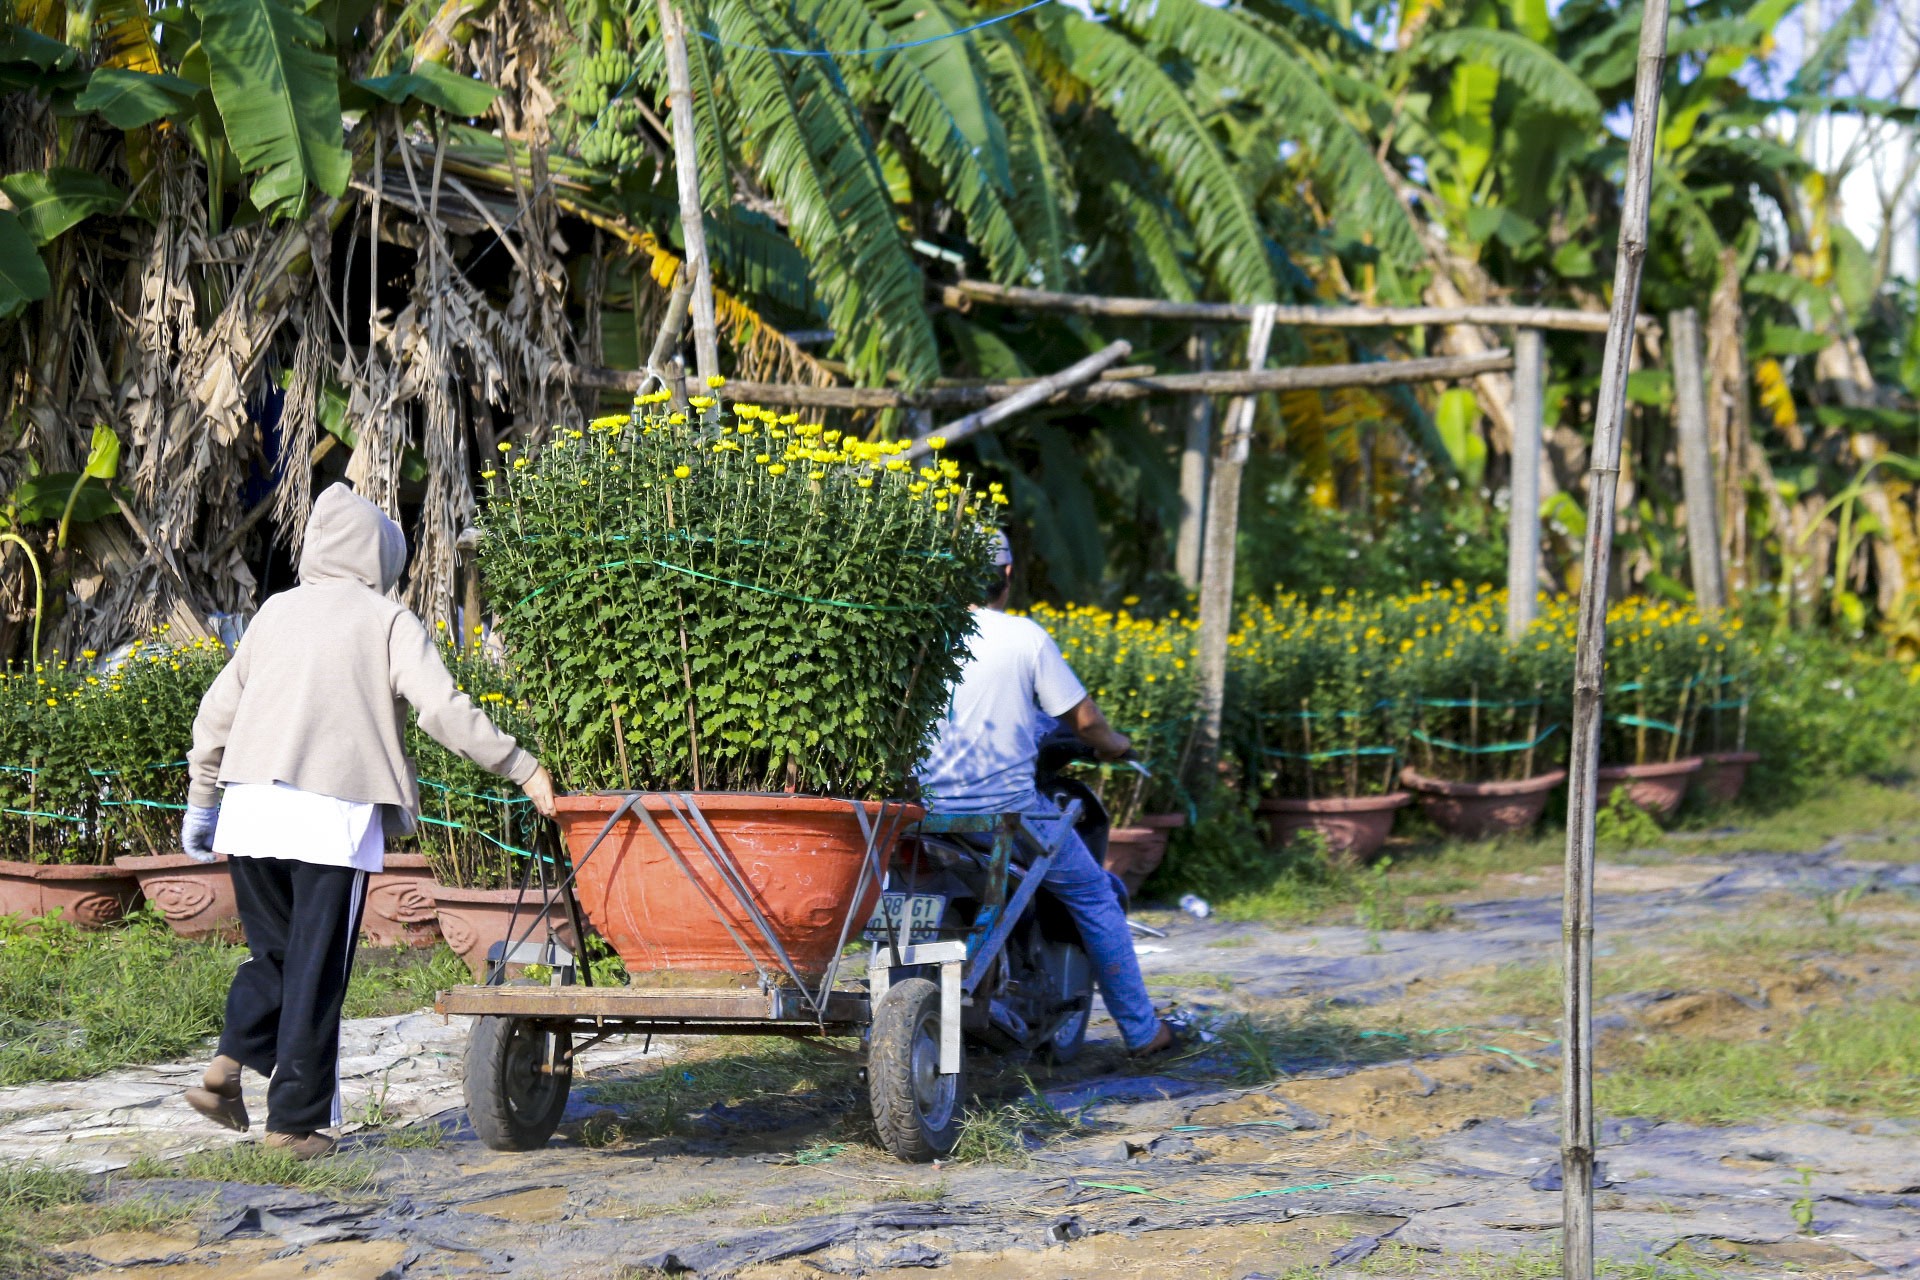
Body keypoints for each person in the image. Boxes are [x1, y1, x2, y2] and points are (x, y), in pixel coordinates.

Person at [180, 483, 557, 1159]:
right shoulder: (387, 622)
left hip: (250, 811)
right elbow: (443, 713)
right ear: (380, 557)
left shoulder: (274, 614)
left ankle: (225, 1068)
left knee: (275, 955)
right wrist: (522, 766)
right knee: (317, 971)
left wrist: (202, 799)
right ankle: (292, 1128)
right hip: (331, 817)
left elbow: (216, 714)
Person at [916, 533, 1177, 1057]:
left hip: (923, 814)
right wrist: (1115, 745)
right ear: (1008, 575)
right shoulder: (1024, 637)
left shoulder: (925, 634)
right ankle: (1144, 1032)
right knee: (1095, 895)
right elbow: (1083, 719)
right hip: (1007, 816)